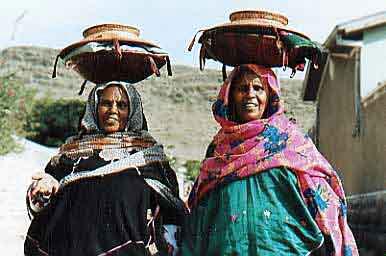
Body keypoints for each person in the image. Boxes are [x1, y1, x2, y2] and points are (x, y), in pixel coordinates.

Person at [182, 65, 358, 256]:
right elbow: (199, 219)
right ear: (229, 97)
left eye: (258, 88)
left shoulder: (290, 142)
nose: (250, 94)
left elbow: (326, 207)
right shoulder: (219, 151)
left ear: (270, 96)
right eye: (242, 89)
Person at [24, 81, 185, 256]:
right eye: (106, 103)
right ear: (94, 107)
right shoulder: (71, 153)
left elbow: (172, 212)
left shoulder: (150, 157)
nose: (113, 110)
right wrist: (42, 189)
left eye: (122, 105)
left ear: (132, 112)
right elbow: (39, 208)